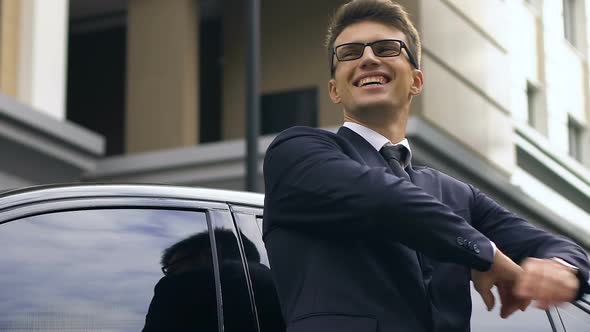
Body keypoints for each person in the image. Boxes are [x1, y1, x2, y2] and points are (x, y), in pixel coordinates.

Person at [262, 0, 590, 331]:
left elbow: (552, 244)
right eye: (349, 53)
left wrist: (562, 267)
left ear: (417, 81)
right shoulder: (297, 154)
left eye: (386, 48)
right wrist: (483, 252)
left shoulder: (457, 194)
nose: (368, 58)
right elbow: (381, 199)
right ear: (334, 90)